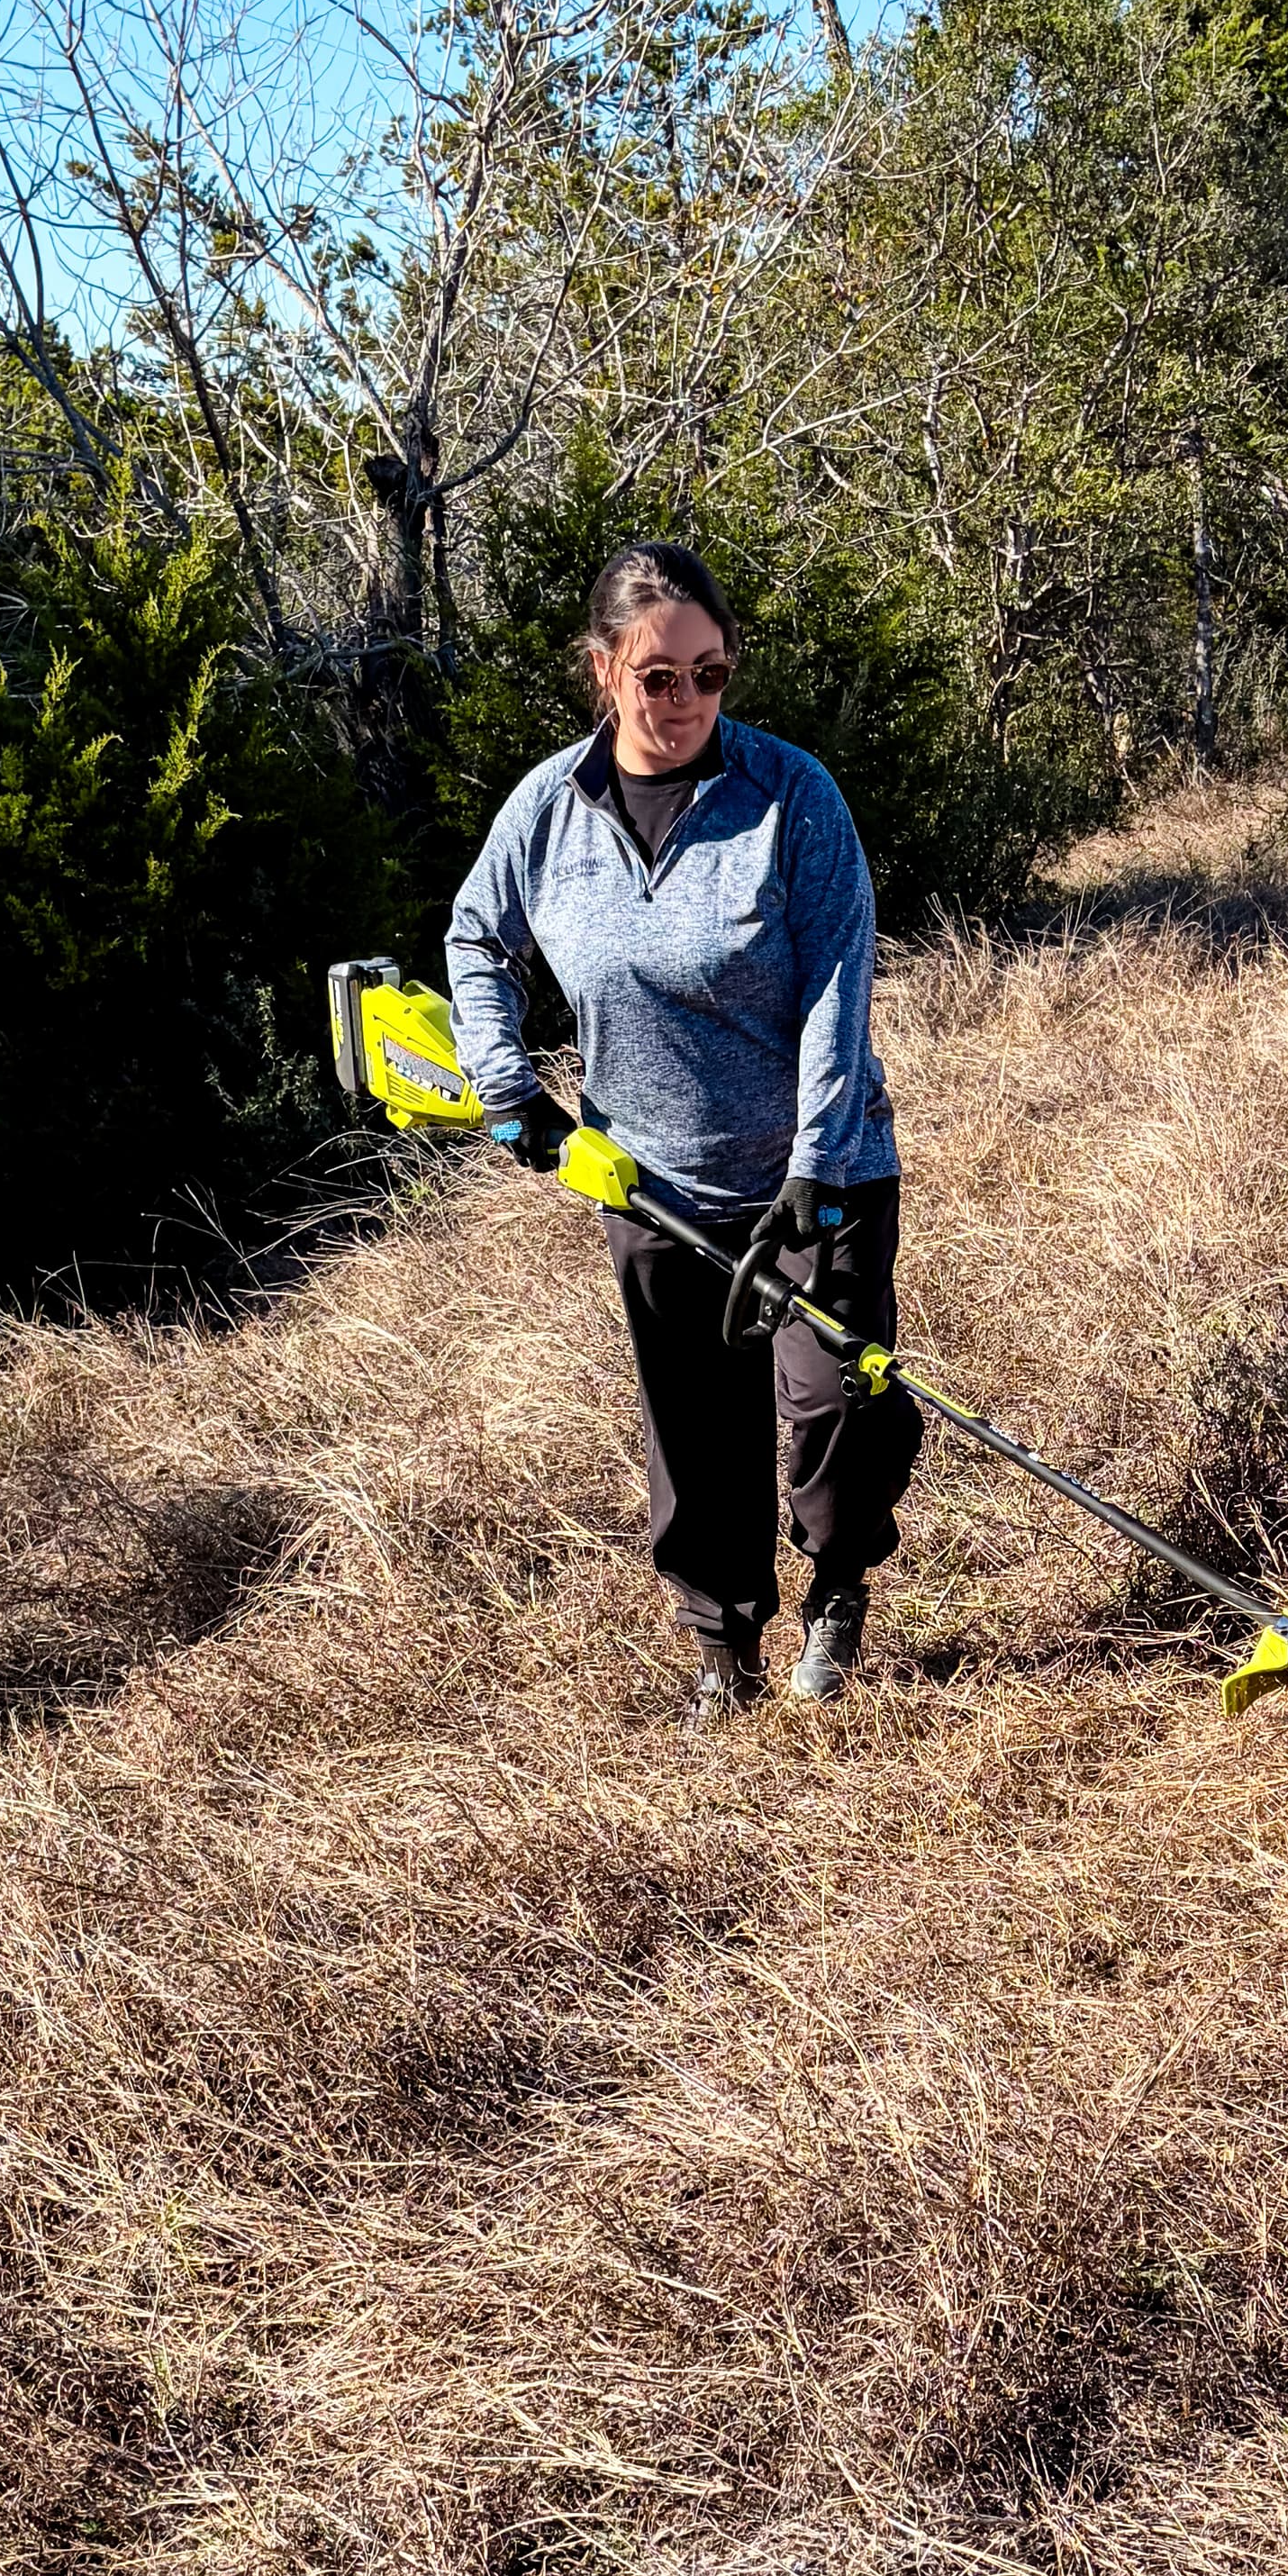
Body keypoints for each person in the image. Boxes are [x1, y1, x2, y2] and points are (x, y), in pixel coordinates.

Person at [444, 540, 924, 1722]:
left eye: (711, 674)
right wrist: (506, 1084)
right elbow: (476, 936)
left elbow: (837, 988)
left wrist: (814, 1172)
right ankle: (724, 1642)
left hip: (816, 1177)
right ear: (604, 671)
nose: (688, 701)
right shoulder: (548, 811)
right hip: (650, 1179)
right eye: (660, 677)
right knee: (696, 1428)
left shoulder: (790, 796)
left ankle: (839, 1583)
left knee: (836, 1406)